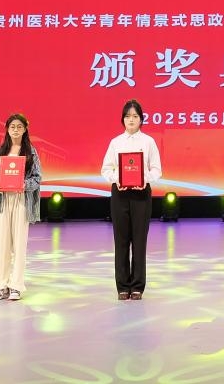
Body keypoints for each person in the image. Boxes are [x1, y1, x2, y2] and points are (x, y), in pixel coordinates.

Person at [100, 99, 163, 300]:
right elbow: (106, 169)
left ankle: (137, 286)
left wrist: (145, 179)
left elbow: (157, 169)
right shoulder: (115, 142)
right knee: (121, 240)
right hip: (120, 193)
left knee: (139, 241)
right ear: (123, 119)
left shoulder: (149, 142)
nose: (131, 120)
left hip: (141, 194)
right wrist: (116, 179)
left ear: (141, 119)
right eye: (128, 116)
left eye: (135, 116)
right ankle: (122, 286)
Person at [0, 113, 43, 301]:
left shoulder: (31, 152)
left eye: (19, 127)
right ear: (7, 129)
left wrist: (24, 185)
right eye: (12, 127)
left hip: (21, 201)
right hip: (2, 201)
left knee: (19, 244)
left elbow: (37, 177)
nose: (16, 130)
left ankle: (16, 286)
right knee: (1, 245)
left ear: (25, 129)